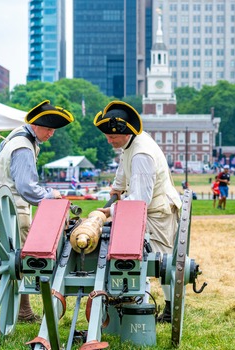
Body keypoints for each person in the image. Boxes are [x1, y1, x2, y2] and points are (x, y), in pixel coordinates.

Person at [0, 100, 74, 322]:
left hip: (0, 205)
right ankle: (23, 311)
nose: (51, 134)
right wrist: (50, 195)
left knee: (1, 261)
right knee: (20, 260)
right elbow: (27, 188)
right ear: (35, 125)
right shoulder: (23, 146)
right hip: (14, 209)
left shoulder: (15, 135)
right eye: (48, 129)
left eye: (53, 130)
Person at [93, 101, 182, 323]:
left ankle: (169, 310)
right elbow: (123, 171)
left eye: (112, 137)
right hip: (144, 210)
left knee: (161, 262)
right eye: (107, 135)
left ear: (126, 133)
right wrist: (115, 189)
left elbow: (141, 199)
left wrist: (110, 211)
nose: (109, 140)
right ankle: (131, 299)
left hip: (157, 212)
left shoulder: (142, 154)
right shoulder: (130, 144)